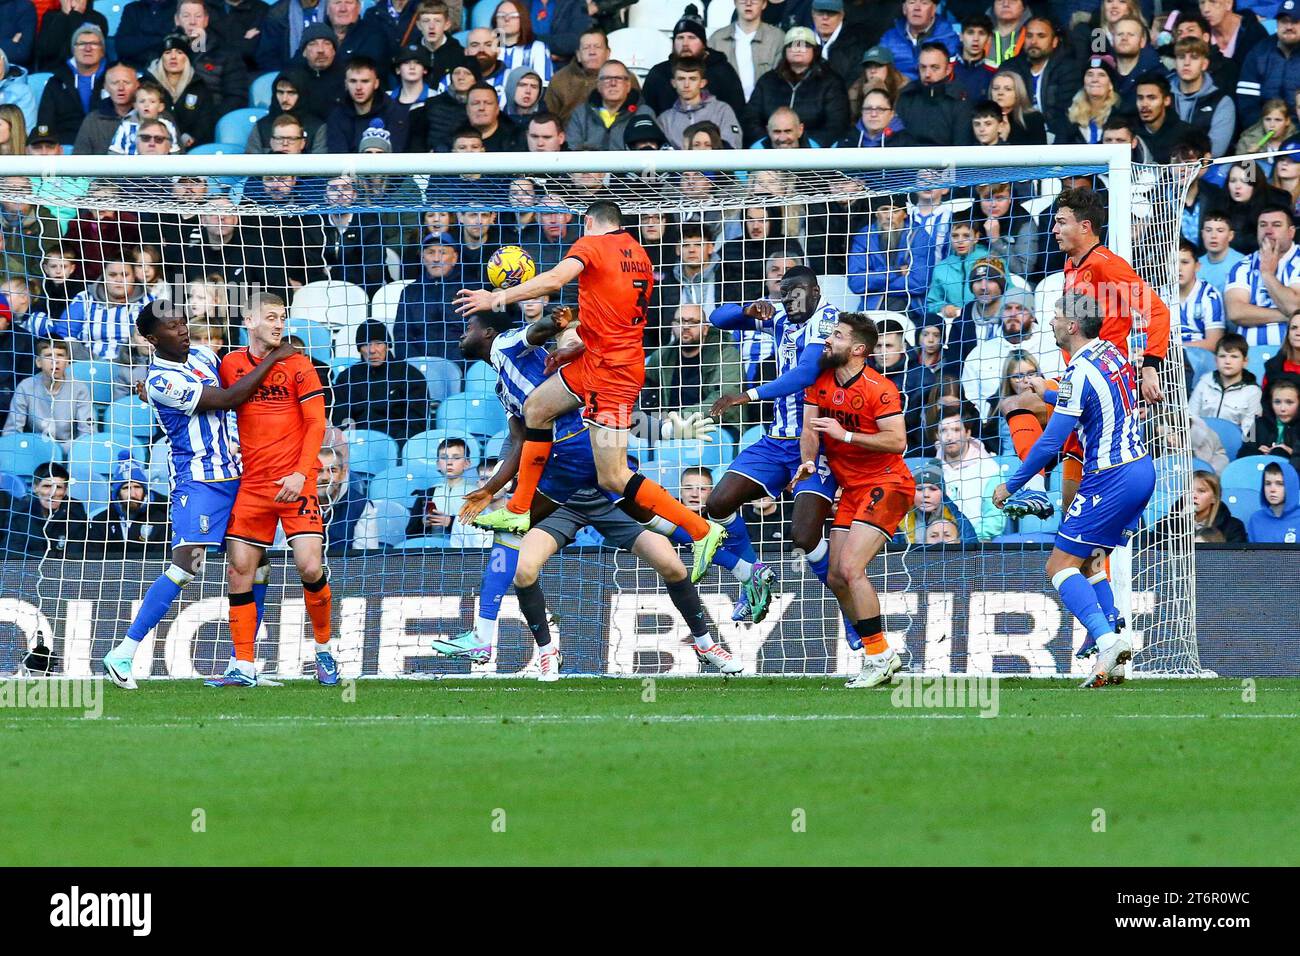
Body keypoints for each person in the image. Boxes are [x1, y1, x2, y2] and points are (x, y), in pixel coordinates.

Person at [440, 307, 741, 677]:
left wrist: (554, 320)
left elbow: (538, 333)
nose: (460, 333)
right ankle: (546, 651)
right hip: (563, 491)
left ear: (487, 333)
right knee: (522, 568)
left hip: (594, 475)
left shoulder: (513, 347)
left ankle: (707, 641)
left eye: (468, 326)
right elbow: (519, 441)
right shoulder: (505, 386)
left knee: (671, 564)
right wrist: (489, 489)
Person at [455, 200, 727, 582]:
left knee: (614, 477)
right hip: (597, 359)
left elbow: (553, 281)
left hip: (612, 374)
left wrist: (496, 298)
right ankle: (518, 509)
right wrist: (574, 346)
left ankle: (702, 531)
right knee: (537, 407)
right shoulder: (640, 256)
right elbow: (615, 316)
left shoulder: (591, 245)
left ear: (588, 223)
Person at [99, 300, 298, 690]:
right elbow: (227, 399)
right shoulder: (160, 380)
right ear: (152, 339)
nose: (183, 330)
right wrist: (274, 359)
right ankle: (123, 651)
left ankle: (243, 664)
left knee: (256, 567)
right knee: (186, 566)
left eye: (183, 322)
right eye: (172, 327)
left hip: (239, 477)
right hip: (200, 482)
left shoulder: (205, 354)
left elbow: (238, 382)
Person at [993, 290, 1156, 688]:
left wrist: (1010, 485)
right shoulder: (1111, 353)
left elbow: (1050, 443)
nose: (1049, 322)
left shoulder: (1079, 370)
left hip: (1109, 477)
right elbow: (1085, 394)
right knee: (1089, 561)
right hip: (1141, 470)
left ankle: (1107, 640)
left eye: (1055, 317)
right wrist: (1046, 391)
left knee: (1058, 566)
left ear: (1072, 325)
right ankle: (1111, 644)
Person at [1002, 187, 1169, 515]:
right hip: (1077, 380)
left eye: (1061, 222)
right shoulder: (1071, 266)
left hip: (1101, 383)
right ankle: (1039, 493)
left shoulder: (1108, 265)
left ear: (1085, 226)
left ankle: (1032, 487)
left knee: (1018, 403)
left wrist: (1150, 366)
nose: (1053, 229)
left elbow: (1158, 310)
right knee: (1072, 514)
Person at [704, 267, 843, 627]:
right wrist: (749, 310)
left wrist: (746, 396)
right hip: (774, 441)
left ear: (815, 290)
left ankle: (852, 615)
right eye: (784, 296)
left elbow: (806, 373)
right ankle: (753, 575)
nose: (789, 304)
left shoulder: (829, 320)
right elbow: (716, 318)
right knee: (717, 503)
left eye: (796, 296)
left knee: (805, 536)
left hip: (814, 445)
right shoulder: (780, 315)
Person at [211, 293, 335, 688]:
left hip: (295, 483)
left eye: (282, 317)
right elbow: (218, 401)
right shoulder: (231, 364)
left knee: (309, 566)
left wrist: (301, 474)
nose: (279, 324)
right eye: (270, 317)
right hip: (253, 485)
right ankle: (243, 665)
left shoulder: (300, 365)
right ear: (249, 320)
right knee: (238, 572)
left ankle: (323, 649)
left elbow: (317, 424)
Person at [793, 312, 911, 688]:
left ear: (858, 349)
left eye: (838, 336)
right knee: (835, 576)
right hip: (853, 488)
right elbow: (810, 428)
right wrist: (808, 461)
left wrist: (845, 437)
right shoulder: (821, 380)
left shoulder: (880, 388)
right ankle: (879, 654)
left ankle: (878, 656)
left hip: (888, 482)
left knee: (850, 569)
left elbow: (897, 441)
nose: (830, 340)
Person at [744, 25, 849, 147]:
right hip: (770, 149)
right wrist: (767, 143)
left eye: (805, 45)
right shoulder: (767, 81)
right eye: (792, 45)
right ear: (785, 51)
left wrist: (809, 145)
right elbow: (750, 119)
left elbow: (837, 124)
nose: (798, 49)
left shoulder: (831, 82)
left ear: (814, 51)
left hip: (815, 153)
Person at [643, 303, 745, 427]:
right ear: (672, 326)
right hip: (670, 427)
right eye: (679, 321)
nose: (685, 327)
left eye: (692, 322)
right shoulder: (663, 356)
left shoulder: (725, 353)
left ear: (705, 329)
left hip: (716, 426)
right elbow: (643, 389)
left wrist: (679, 418)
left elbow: (726, 397)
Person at [333, 319, 430, 441]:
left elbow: (416, 424)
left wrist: (396, 448)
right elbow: (342, 419)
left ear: (387, 345)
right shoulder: (347, 378)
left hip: (398, 445)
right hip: (358, 445)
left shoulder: (410, 376)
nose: (372, 350)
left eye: (378, 343)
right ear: (359, 348)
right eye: (366, 344)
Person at [1225, 205, 1300, 351]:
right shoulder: (1242, 265)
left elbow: (1294, 306)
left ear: (1291, 232)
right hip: (1249, 356)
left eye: (1276, 225)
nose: (1268, 231)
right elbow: (1236, 312)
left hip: (1292, 354)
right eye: (1263, 225)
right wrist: (1287, 316)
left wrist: (1267, 273)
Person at [1, 338, 94, 450]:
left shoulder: (80, 389)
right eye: (49, 355)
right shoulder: (25, 387)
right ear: (38, 362)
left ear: (68, 362)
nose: (55, 361)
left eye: (60, 355)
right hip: (34, 451)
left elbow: (88, 434)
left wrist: (60, 451)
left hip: (69, 452)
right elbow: (11, 432)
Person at [84, 452, 172, 559]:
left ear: (145, 491)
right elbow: (93, 560)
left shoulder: (160, 520)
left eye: (137, 487)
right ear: (117, 493)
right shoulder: (101, 521)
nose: (132, 494)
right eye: (126, 488)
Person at [894, 40, 973, 148]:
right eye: (923, 67)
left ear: (948, 69)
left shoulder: (959, 100)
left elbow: (962, 146)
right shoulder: (906, 97)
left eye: (934, 67)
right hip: (910, 161)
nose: (927, 74)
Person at [2, 461, 88, 558]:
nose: (52, 493)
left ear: (65, 491)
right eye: (47, 486)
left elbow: (76, 555)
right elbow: (13, 555)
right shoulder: (20, 514)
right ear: (35, 488)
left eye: (59, 487)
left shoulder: (75, 513)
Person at [1187, 332, 1263, 438]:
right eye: (1222, 356)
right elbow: (1190, 417)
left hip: (1235, 448)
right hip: (1201, 444)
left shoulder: (1253, 392)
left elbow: (1250, 433)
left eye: (1234, 356)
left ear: (1245, 361)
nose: (1227, 361)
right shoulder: (1204, 382)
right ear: (1216, 360)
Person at [564, 58, 651, 150]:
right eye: (607, 78)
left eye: (619, 78)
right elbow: (572, 151)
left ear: (628, 85)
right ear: (598, 85)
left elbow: (648, 153)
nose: (613, 83)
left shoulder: (644, 113)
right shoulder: (580, 114)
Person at [657, 56, 741, 149]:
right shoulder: (665, 119)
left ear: (702, 83)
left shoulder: (721, 111)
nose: (686, 85)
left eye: (692, 79)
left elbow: (732, 148)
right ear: (673, 83)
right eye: (681, 79)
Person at [710, 0, 783, 101]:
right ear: (735, 2)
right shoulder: (717, 39)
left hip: (765, 109)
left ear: (764, 4)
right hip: (726, 108)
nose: (748, 3)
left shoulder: (777, 38)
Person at [878, 0, 959, 82]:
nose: (917, 8)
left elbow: (954, 75)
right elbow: (878, 70)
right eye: (912, 2)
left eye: (924, 3)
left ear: (933, 9)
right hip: (897, 90)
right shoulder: (889, 38)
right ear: (904, 8)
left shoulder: (949, 38)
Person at [1177, 238, 1226, 357]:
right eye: (1173, 262)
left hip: (1200, 360)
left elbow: (1214, 343)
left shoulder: (1210, 295)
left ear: (1197, 266)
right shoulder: (1159, 294)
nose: (1178, 268)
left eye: (1185, 262)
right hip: (1166, 361)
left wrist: (1177, 347)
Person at [1239, 378, 1300, 470]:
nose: (1282, 408)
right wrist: (1258, 453)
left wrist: (1292, 453)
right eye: (1277, 402)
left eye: (1289, 402)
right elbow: (1241, 455)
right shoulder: (1258, 424)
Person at [1246, 459, 1300, 542]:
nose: (1272, 489)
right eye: (1268, 483)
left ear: (1291, 487)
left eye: (1279, 484)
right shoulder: (1256, 519)